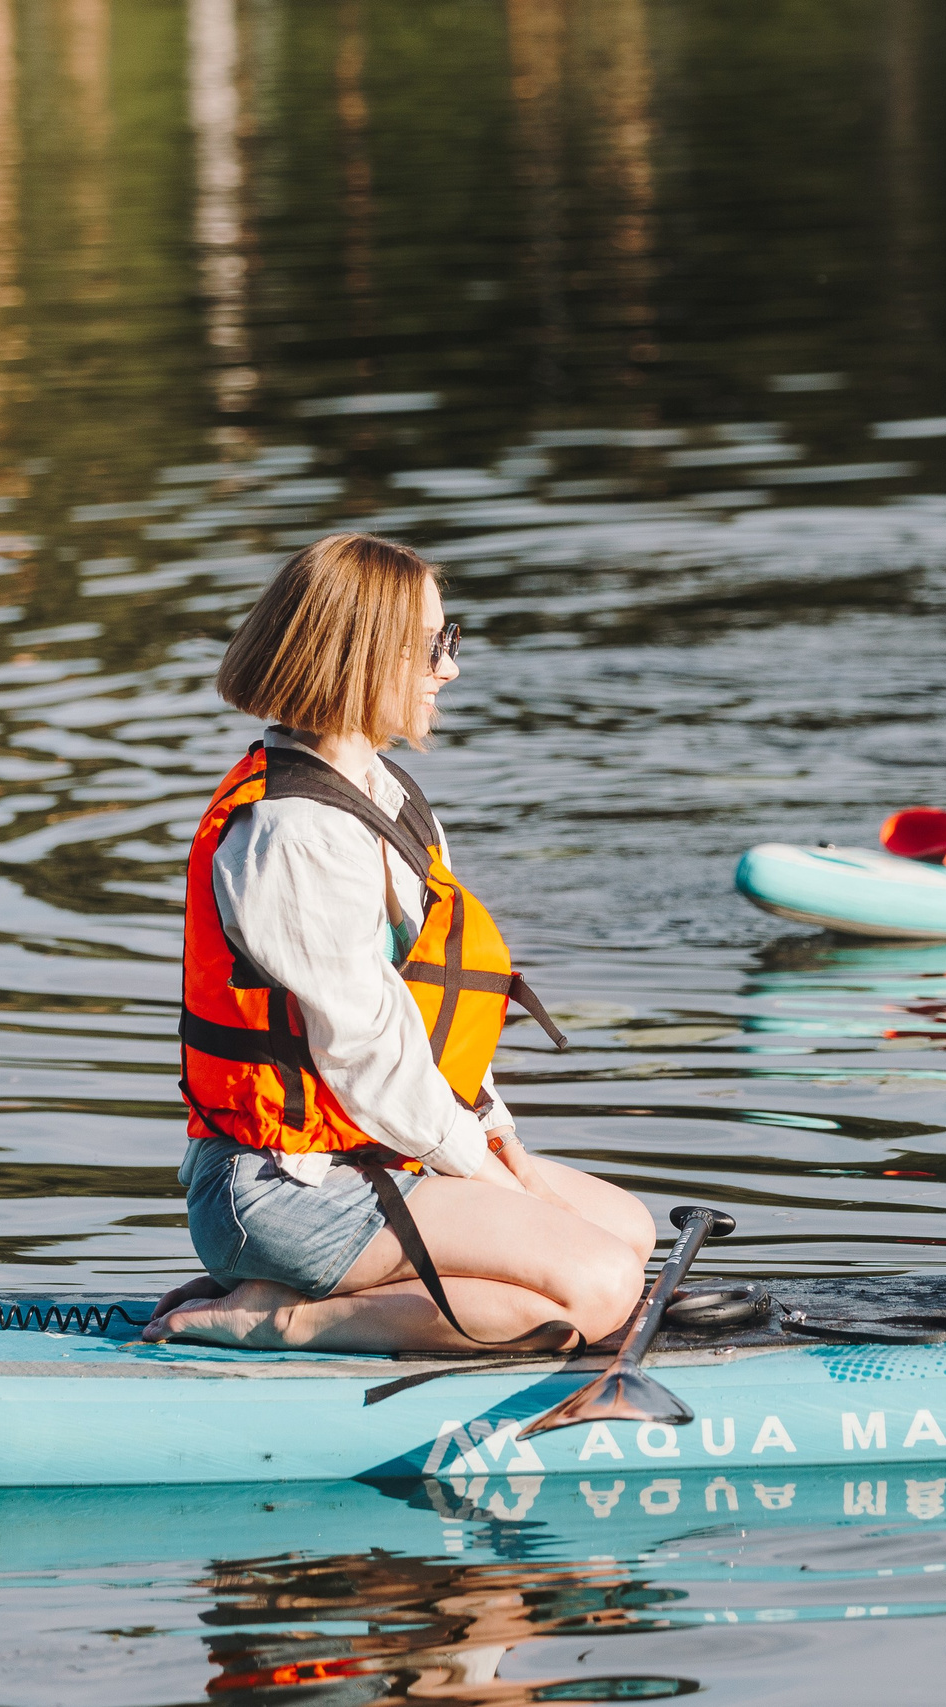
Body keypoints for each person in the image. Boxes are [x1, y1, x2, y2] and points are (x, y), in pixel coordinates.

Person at [143, 533, 656, 1352]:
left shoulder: (384, 795)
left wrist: (501, 1142)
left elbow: (434, 1019)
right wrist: (489, 1180)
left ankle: (335, 1284)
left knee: (628, 1232)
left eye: (450, 641)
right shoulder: (294, 836)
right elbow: (366, 1057)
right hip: (284, 1189)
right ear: (361, 654)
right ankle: (282, 1314)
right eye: (432, 647)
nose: (449, 668)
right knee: (598, 1288)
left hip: (380, 1154)